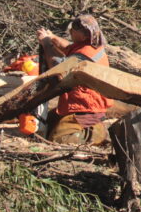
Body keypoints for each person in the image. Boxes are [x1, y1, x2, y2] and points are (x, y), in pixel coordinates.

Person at [36, 14, 112, 144]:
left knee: (58, 138)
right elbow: (67, 47)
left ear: (83, 35)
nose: (70, 32)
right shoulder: (88, 45)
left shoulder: (86, 53)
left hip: (85, 108)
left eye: (73, 31)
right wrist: (52, 37)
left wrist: (47, 43)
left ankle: (99, 135)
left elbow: (59, 70)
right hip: (83, 105)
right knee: (51, 120)